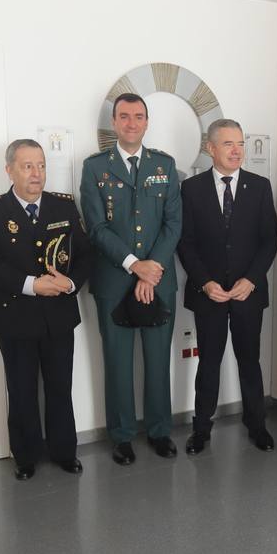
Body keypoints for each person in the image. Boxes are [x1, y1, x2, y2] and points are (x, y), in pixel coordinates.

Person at [0, 139, 92, 479]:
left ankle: (64, 451)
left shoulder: (64, 206)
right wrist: (31, 284)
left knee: (60, 387)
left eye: (40, 165)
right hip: (16, 316)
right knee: (21, 389)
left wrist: (70, 284)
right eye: (27, 166)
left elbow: (85, 254)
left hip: (59, 314)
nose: (36, 173)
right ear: (9, 169)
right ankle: (25, 456)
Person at [79, 93, 183, 464]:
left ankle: (159, 431)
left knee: (158, 362)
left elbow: (174, 223)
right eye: (124, 117)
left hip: (158, 281)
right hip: (114, 281)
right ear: (114, 122)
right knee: (118, 363)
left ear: (147, 121)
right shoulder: (94, 168)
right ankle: (121, 435)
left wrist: (151, 267)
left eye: (138, 116)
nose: (131, 123)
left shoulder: (165, 165)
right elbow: (96, 226)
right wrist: (132, 264)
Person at [177, 119, 277, 454]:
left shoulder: (260, 186)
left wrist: (250, 280)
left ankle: (257, 425)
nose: (236, 151)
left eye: (240, 144)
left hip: (248, 294)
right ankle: (202, 428)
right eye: (228, 144)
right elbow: (186, 243)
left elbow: (269, 241)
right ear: (210, 148)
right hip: (209, 296)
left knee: (250, 361)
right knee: (209, 362)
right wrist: (204, 282)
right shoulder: (191, 189)